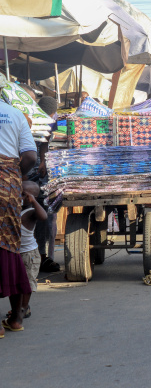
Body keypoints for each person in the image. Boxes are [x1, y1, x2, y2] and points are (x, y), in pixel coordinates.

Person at [0, 96, 37, 335]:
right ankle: (15, 319)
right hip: (9, 186)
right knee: (11, 245)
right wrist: (14, 174)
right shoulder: (15, 114)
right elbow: (31, 157)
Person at [32, 96, 60, 273]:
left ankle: (43, 256)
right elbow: (44, 143)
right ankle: (43, 256)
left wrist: (43, 160)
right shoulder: (44, 121)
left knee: (44, 215)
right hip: (35, 175)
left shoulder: (37, 120)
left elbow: (44, 143)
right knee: (45, 215)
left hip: (35, 172)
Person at [12, 181, 47, 320]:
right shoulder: (14, 209)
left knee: (27, 282)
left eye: (22, 194)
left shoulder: (31, 211)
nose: (18, 196)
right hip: (15, 253)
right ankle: (18, 307)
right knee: (17, 282)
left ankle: (24, 307)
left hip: (29, 255)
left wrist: (33, 202)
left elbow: (44, 216)